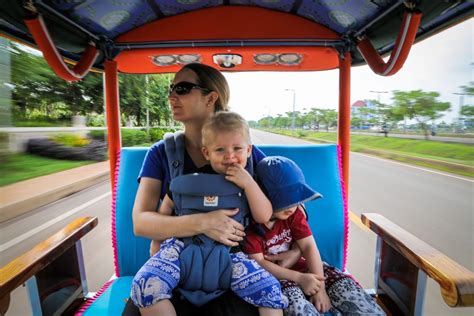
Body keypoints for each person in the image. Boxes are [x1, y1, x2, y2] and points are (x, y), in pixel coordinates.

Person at [127, 63, 301, 316]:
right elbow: (141, 222)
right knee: (142, 298)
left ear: (211, 98)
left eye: (183, 88)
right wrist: (203, 223)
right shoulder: (161, 153)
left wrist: (296, 250)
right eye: (171, 88)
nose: (172, 95)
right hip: (177, 267)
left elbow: (291, 206)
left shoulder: (246, 156)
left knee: (269, 299)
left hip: (232, 266)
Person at [244, 156, 386, 315]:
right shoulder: (252, 226)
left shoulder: (294, 214)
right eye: (286, 201)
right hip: (278, 279)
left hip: (308, 269)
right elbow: (259, 263)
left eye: (296, 200)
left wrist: (320, 288)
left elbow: (308, 246)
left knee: (349, 290)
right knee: (298, 307)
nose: (292, 206)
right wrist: (298, 278)